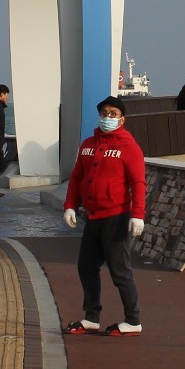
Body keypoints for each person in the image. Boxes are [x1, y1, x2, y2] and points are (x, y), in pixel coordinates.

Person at [62, 97, 148, 336]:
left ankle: (133, 319)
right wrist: (70, 205)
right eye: (104, 112)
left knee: (120, 271)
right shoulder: (88, 144)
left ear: (122, 119)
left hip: (117, 218)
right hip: (93, 217)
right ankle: (91, 316)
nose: (107, 117)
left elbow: (138, 183)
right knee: (86, 267)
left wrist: (138, 215)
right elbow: (77, 176)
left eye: (113, 113)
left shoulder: (129, 147)